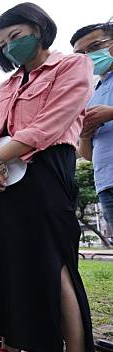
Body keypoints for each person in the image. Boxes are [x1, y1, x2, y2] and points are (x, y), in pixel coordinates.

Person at [0, 2, 97, 352]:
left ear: (40, 29)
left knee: (54, 262)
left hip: (45, 171)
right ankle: (13, 346)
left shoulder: (71, 67)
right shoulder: (2, 87)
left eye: (17, 35)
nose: (11, 46)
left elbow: (51, 123)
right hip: (1, 178)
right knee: (5, 261)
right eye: (4, 43)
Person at [71, 23, 113, 236]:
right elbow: (87, 155)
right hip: (106, 183)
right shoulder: (91, 93)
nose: (88, 56)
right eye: (80, 54)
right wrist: (85, 136)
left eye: (95, 46)